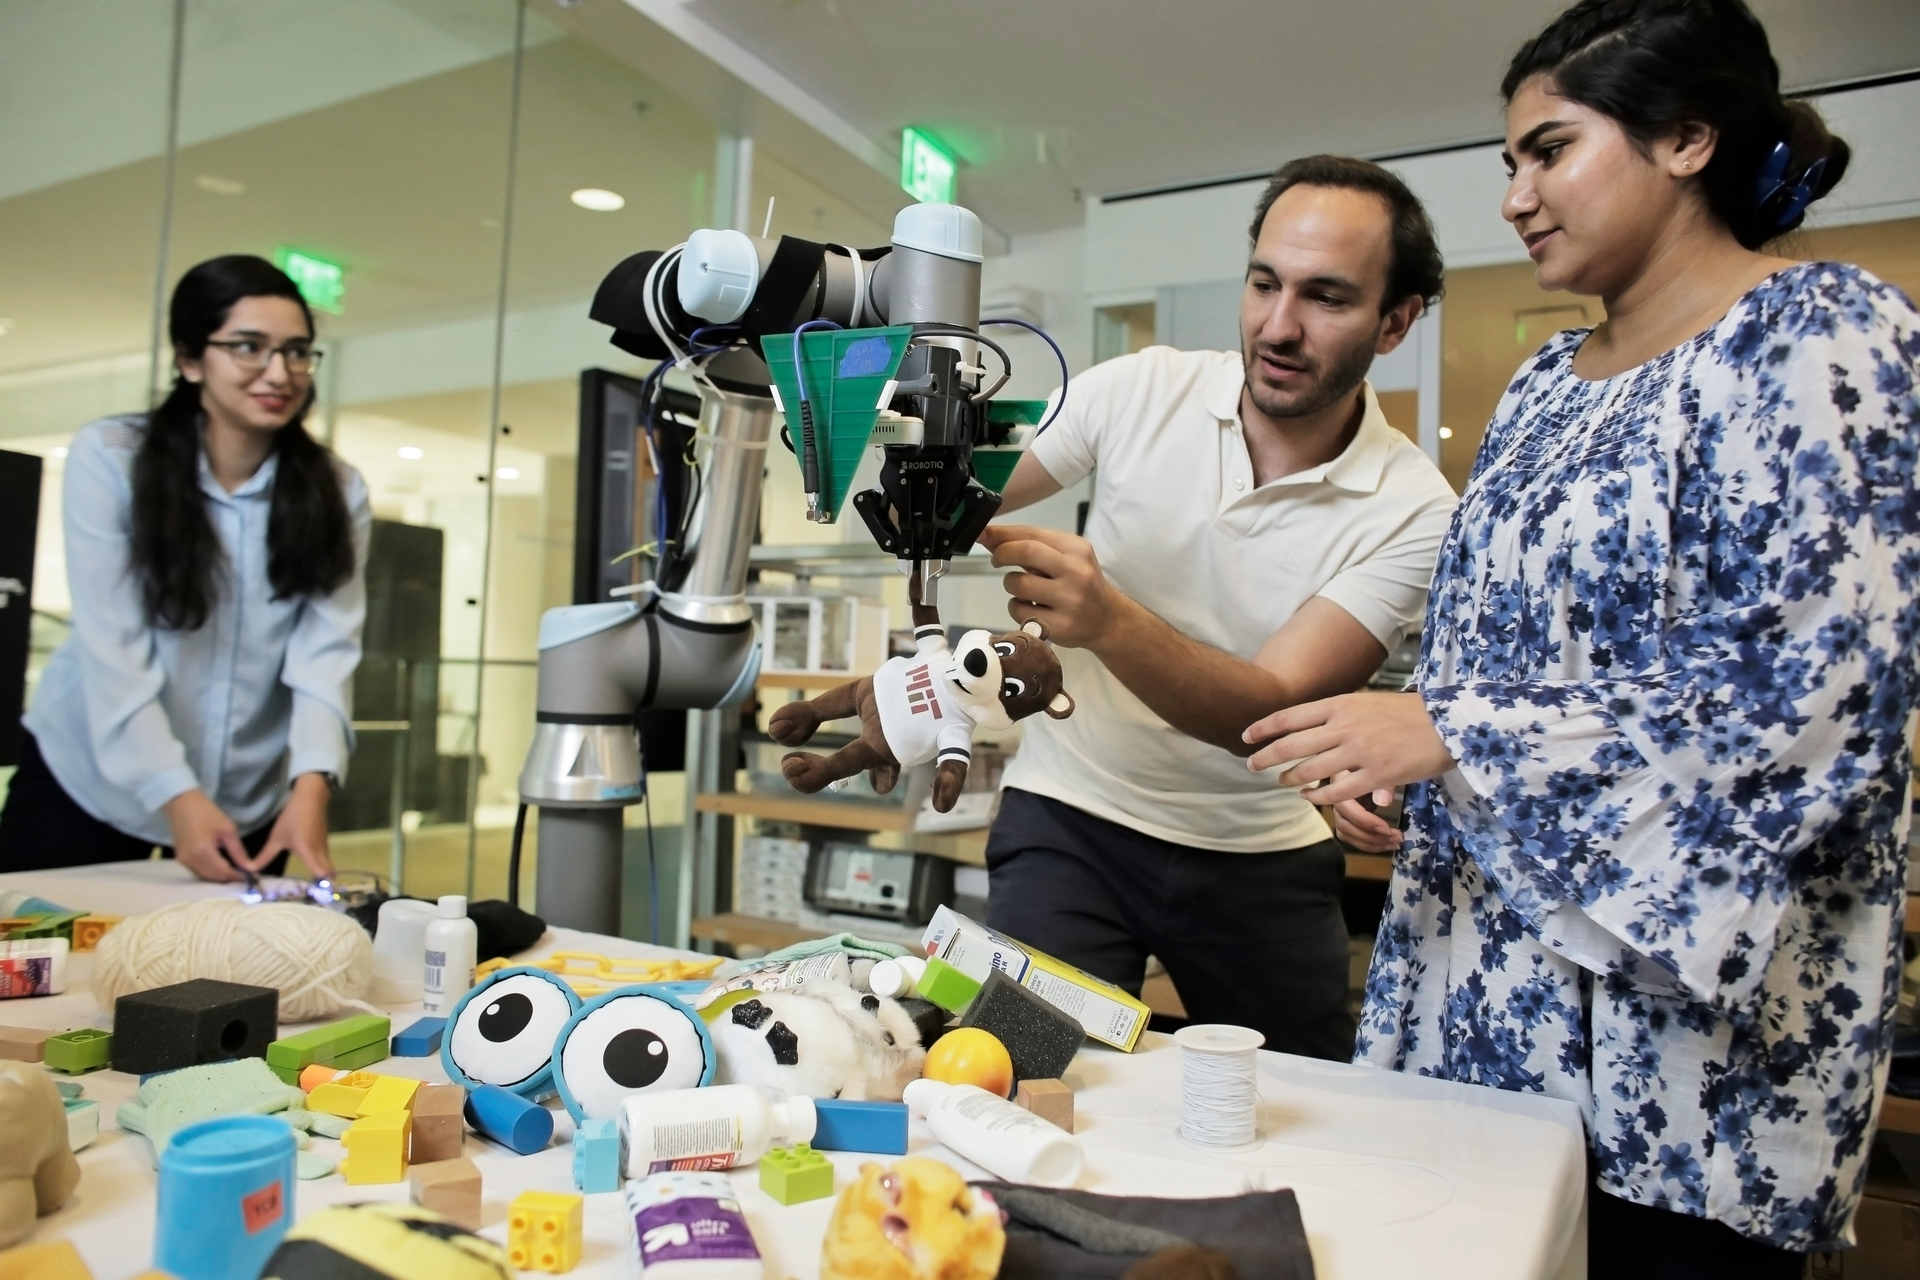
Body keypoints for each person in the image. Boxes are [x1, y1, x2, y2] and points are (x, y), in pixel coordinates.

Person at [1243, 1, 1913, 1273]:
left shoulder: (1822, 334)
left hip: (1689, 1063)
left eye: (1549, 150)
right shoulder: (1547, 386)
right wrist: (1408, 764)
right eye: (1510, 162)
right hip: (1481, 1013)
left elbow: (1820, 695)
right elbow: (1485, 656)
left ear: (1689, 138)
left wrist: (1456, 731)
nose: (1515, 195)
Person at [976, 156, 1458, 1060]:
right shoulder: (1138, 389)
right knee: (1018, 1074)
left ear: (1396, 322)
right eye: (1264, 283)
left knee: (1298, 1113)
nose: (1279, 326)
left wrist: (1107, 618)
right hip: (1070, 815)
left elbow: (1269, 708)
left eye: (1327, 297)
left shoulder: (1414, 508)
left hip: (1259, 851)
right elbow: (964, 492)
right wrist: (856, 405)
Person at [0, 255, 371, 884]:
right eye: (248, 348)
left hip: (248, 795)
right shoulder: (114, 458)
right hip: (88, 777)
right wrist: (177, 794)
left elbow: (325, 655)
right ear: (190, 359)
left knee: (224, 978)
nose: (278, 373)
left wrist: (311, 788)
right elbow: (112, 648)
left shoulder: (337, 489)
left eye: (298, 352)